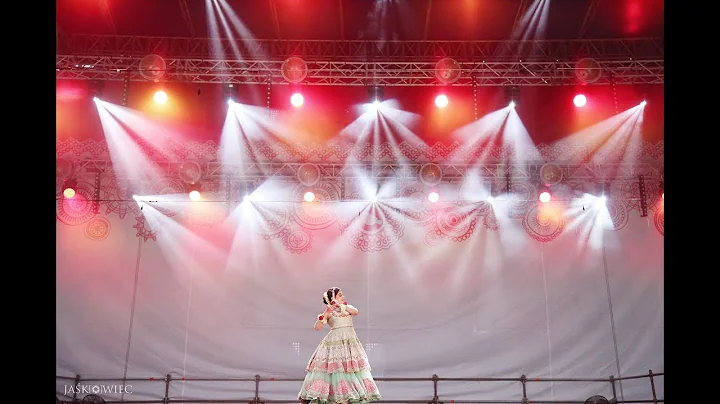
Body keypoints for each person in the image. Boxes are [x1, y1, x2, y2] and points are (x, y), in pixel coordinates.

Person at [298, 287, 381, 404]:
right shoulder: (329, 312)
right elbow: (317, 327)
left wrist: (341, 305)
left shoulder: (346, 308)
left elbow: (355, 311)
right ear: (333, 297)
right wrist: (326, 312)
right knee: (337, 370)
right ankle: (338, 397)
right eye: (340, 295)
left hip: (349, 343)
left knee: (350, 369)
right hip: (335, 344)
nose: (343, 297)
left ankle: (347, 396)